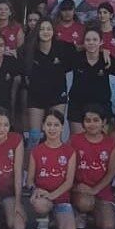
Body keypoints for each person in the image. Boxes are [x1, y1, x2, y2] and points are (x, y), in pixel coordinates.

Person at [27, 109, 76, 229]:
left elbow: (69, 182)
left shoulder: (69, 151)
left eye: (56, 125)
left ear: (62, 127)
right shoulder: (36, 151)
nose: (52, 128)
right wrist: (35, 190)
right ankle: (43, 218)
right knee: (40, 204)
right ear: (43, 126)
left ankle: (56, 216)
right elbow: (30, 180)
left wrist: (52, 195)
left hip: (61, 198)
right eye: (49, 124)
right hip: (43, 197)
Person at [23, 19, 71, 151]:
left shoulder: (62, 48)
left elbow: (83, 49)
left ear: (53, 31)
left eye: (48, 29)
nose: (45, 32)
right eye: (42, 29)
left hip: (57, 96)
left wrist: (104, 51)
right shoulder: (29, 49)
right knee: (34, 137)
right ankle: (30, 164)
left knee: (54, 135)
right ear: (37, 31)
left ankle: (55, 163)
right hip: (36, 96)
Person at [70, 105, 115, 229]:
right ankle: (80, 211)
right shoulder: (75, 140)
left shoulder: (111, 143)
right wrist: (75, 186)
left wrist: (95, 189)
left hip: (101, 190)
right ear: (83, 123)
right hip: (80, 189)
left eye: (96, 120)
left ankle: (92, 215)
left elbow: (111, 172)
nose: (92, 124)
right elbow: (67, 167)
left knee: (108, 227)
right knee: (84, 203)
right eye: (88, 120)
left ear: (103, 122)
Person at [67, 28, 111, 134]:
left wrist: (105, 51)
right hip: (77, 107)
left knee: (100, 142)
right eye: (88, 40)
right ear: (83, 42)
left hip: (102, 106)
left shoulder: (107, 59)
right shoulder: (75, 58)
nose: (91, 42)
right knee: (77, 141)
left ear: (101, 42)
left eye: (95, 40)